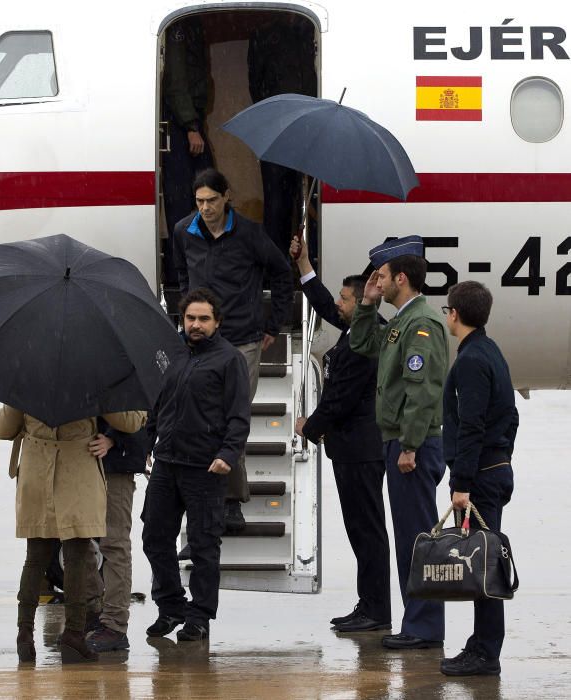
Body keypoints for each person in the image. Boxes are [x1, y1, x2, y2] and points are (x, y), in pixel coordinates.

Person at [173, 168, 292, 529]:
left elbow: (281, 273)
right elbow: (180, 276)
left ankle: (228, 502)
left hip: (242, 341)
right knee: (203, 420)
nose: (205, 208)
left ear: (227, 197)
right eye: (199, 202)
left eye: (211, 200)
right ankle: (219, 502)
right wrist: (185, 319)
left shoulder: (250, 235)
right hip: (199, 343)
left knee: (229, 418)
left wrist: (275, 324)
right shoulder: (183, 232)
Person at [349, 235, 448, 650]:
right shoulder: (401, 323)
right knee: (409, 535)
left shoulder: (421, 324)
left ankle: (424, 627)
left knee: (417, 538)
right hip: (400, 443)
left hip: (413, 445)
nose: (378, 281)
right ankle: (417, 622)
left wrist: (409, 445)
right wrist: (367, 303)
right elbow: (362, 342)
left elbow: (422, 390)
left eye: (382, 276)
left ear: (401, 278)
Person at [290, 239, 391, 632]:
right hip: (353, 448)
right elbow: (323, 306)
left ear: (362, 302)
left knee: (367, 530)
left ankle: (376, 610)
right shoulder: (358, 330)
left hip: (360, 449)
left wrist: (309, 427)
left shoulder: (364, 342)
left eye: (345, 299)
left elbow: (342, 397)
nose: (339, 304)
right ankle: (369, 604)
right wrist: (304, 266)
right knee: (362, 530)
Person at [0, 406, 146, 664]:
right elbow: (128, 422)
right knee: (76, 556)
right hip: (76, 469)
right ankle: (74, 636)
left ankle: (24, 633)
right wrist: (140, 412)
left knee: (35, 558)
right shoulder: (87, 376)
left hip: (36, 470)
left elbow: (2, 430)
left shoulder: (25, 377)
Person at [142, 288, 250, 642]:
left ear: (216, 322)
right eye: (191, 318)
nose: (196, 325)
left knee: (204, 546)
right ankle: (171, 606)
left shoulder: (229, 359)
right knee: (154, 537)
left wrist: (227, 455)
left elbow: (239, 415)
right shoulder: (174, 356)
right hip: (167, 463)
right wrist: (147, 443)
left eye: (204, 319)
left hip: (205, 467)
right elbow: (159, 407)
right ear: (182, 319)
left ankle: (200, 615)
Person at [440, 281, 518, 676]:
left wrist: (462, 483)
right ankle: (481, 643)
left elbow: (470, 425)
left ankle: (486, 651)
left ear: (455, 314)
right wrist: (503, 457)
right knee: (483, 563)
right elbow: (511, 414)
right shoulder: (491, 351)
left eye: (446, 310)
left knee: (483, 566)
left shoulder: (471, 360)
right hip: (495, 469)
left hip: (480, 478)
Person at [248, 15, 317, 254]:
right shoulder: (268, 32)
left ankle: (296, 263)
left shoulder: (305, 29)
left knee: (297, 199)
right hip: (279, 126)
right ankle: (277, 266)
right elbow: (256, 87)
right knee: (278, 202)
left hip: (302, 125)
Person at [84, 418, 151, 653]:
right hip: (86, 462)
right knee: (81, 542)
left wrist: (114, 438)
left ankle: (114, 624)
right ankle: (94, 613)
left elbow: (140, 415)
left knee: (114, 544)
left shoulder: (133, 382)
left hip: (116, 464)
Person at [161, 16, 214, 286]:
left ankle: (187, 275)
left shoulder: (191, 24)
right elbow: (177, 80)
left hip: (189, 121)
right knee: (184, 207)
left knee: (197, 201)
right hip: (183, 127)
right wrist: (191, 125)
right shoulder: (180, 26)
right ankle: (181, 280)